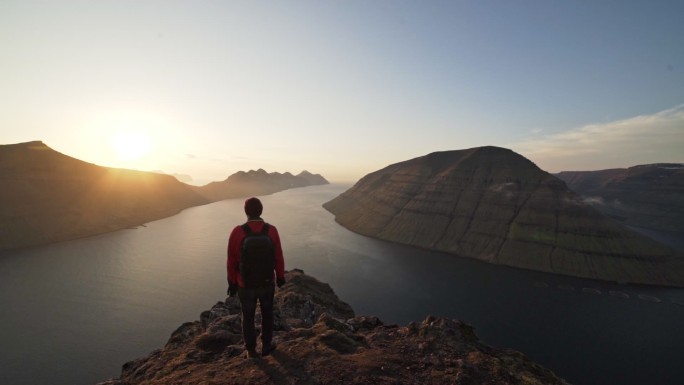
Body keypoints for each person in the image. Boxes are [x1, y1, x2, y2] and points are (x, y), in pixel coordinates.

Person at [227, 197, 286, 358]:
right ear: (261, 210)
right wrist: (280, 277)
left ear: (246, 212)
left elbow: (231, 260)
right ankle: (266, 346)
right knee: (267, 314)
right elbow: (278, 257)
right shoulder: (271, 230)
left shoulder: (238, 232)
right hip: (267, 282)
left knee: (248, 317)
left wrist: (232, 282)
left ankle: (251, 351)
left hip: (245, 285)